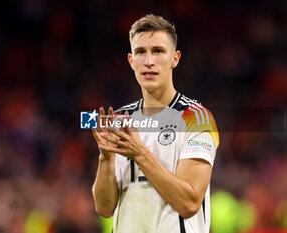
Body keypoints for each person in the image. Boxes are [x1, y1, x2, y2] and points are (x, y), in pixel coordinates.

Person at [92, 14, 219, 233]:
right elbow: (104, 208)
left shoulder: (195, 118)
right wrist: (106, 158)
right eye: (141, 52)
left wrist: (140, 154)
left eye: (158, 51)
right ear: (131, 61)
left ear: (175, 58)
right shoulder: (121, 118)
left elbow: (189, 204)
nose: (149, 61)